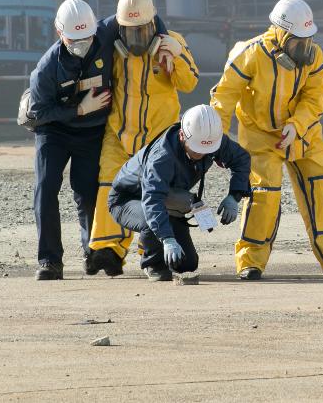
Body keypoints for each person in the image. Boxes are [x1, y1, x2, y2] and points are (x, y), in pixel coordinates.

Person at [211, 0, 323, 280]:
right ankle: (250, 262)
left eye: (308, 40)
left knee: (322, 185)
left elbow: (316, 95)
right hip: (261, 137)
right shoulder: (249, 54)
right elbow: (223, 98)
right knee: (263, 195)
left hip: (303, 134)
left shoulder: (314, 56)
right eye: (299, 42)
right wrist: (218, 143)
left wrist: (297, 125)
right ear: (281, 35)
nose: (306, 49)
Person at [87, 0, 199, 277]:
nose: (135, 39)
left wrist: (178, 54)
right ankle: (107, 251)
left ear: (152, 25)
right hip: (119, 134)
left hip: (158, 141)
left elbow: (189, 83)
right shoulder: (111, 48)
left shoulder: (171, 45)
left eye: (141, 32)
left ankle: (152, 256)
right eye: (129, 32)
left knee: (155, 194)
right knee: (108, 187)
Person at [26, 0, 117, 280]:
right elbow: (39, 112)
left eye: (87, 38)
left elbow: (136, 9)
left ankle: (92, 252)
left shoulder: (104, 32)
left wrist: (168, 40)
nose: (82, 45)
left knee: (87, 190)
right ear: (59, 33)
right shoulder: (45, 69)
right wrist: (77, 109)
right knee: (45, 188)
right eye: (74, 40)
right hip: (54, 131)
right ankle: (50, 260)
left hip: (91, 131)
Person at [107, 104, 251, 281]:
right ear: (183, 136)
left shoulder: (210, 140)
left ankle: (156, 237)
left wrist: (233, 196)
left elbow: (242, 159)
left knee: (187, 264)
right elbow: (152, 200)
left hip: (167, 196)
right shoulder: (161, 157)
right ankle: (152, 262)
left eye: (207, 150)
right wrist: (167, 239)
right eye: (197, 148)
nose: (201, 153)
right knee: (149, 221)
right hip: (127, 200)